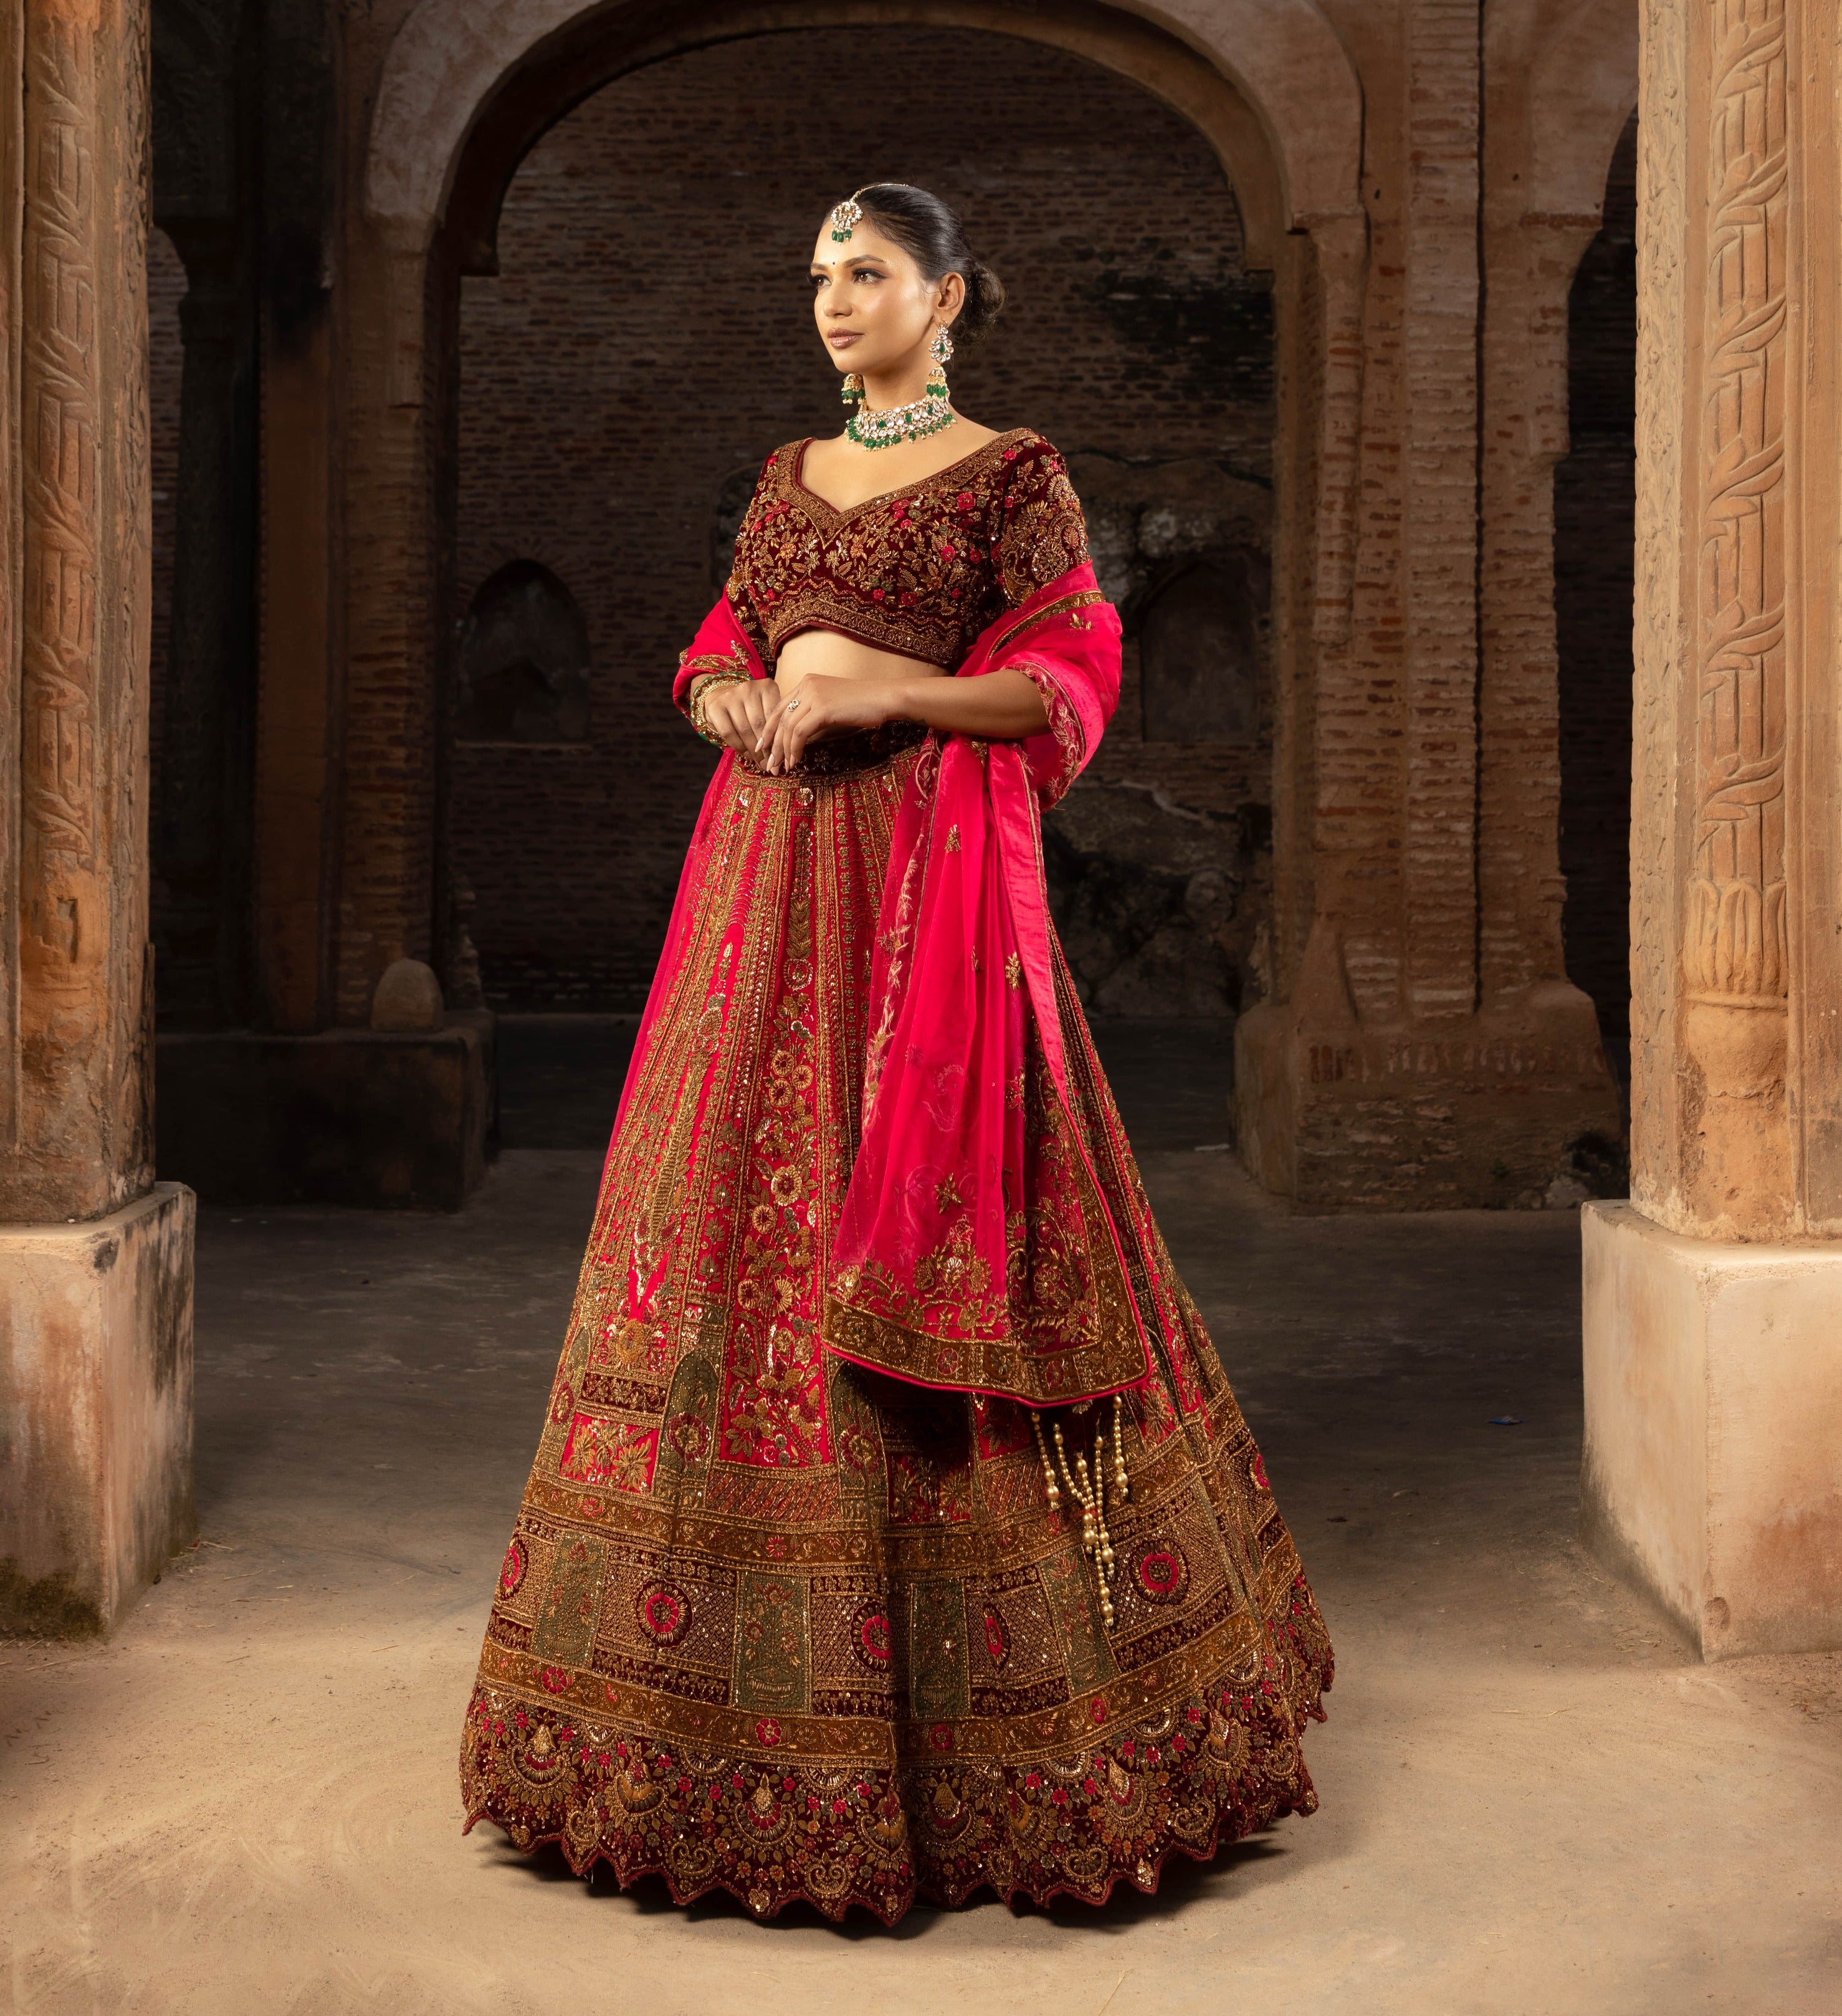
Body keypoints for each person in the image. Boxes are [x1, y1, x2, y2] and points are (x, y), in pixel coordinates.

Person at [460, 183, 1332, 1921]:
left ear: (947, 297)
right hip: (761, 889)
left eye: (866, 272)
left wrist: (878, 696)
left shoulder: (1015, 478)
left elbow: (1071, 682)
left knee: (957, 1239)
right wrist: (739, 702)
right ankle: (688, 1739)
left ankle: (1010, 1746)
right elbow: (717, 645)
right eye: (816, 276)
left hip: (924, 900)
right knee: (717, 1250)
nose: (832, 299)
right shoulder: (787, 478)